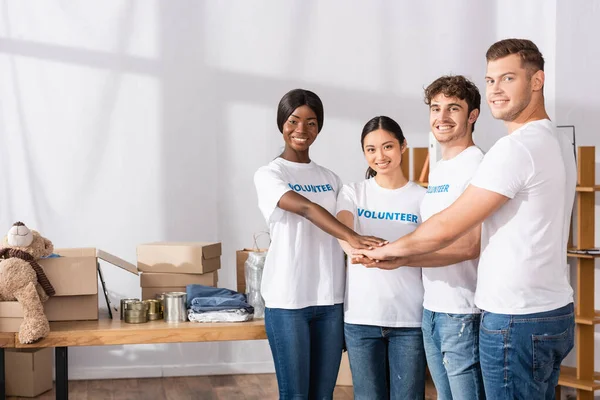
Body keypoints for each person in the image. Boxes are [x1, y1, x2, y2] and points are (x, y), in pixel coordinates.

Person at [354, 39, 576, 399]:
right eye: (491, 81)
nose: (496, 90)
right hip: (544, 312)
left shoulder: (513, 149)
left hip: (514, 317)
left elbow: (450, 228)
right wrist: (400, 256)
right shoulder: (552, 141)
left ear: (537, 81)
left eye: (508, 78)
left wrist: (390, 252)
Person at [253, 89, 385, 399]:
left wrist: (362, 246)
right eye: (293, 120)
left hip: (330, 300)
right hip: (288, 302)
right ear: (281, 123)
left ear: (319, 127)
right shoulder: (270, 174)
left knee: (323, 394)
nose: (301, 130)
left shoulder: (331, 178)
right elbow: (306, 209)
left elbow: (345, 232)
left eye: (311, 123)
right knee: (297, 395)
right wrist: (351, 235)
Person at [336, 116, 426, 400]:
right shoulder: (353, 192)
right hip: (362, 318)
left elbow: (427, 246)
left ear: (403, 146)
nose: (380, 156)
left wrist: (385, 253)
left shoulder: (422, 197)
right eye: (371, 149)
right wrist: (356, 249)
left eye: (387, 146)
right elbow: (342, 230)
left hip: (410, 319)